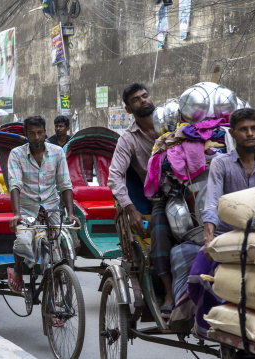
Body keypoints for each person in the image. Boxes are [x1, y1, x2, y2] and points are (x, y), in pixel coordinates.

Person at [189, 107, 255, 336]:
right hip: (228, 236)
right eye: (243, 129)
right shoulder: (222, 164)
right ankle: (208, 319)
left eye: (253, 128)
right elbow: (212, 201)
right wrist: (209, 237)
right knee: (202, 268)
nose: (250, 133)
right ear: (232, 134)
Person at [108, 83, 177, 318]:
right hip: (160, 197)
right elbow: (114, 177)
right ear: (129, 109)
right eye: (136, 99)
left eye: (145, 96)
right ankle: (168, 293)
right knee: (159, 232)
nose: (143, 101)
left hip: (188, 192)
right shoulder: (128, 139)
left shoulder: (174, 123)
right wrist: (131, 209)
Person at [7, 116, 80, 294]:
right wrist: (17, 214)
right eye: (32, 133)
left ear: (45, 132)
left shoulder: (57, 152)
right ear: (26, 134)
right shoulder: (16, 154)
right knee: (23, 241)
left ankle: (54, 288)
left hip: (51, 207)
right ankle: (18, 268)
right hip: (27, 208)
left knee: (55, 252)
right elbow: (15, 184)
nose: (37, 137)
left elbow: (65, 184)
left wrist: (70, 213)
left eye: (40, 133)